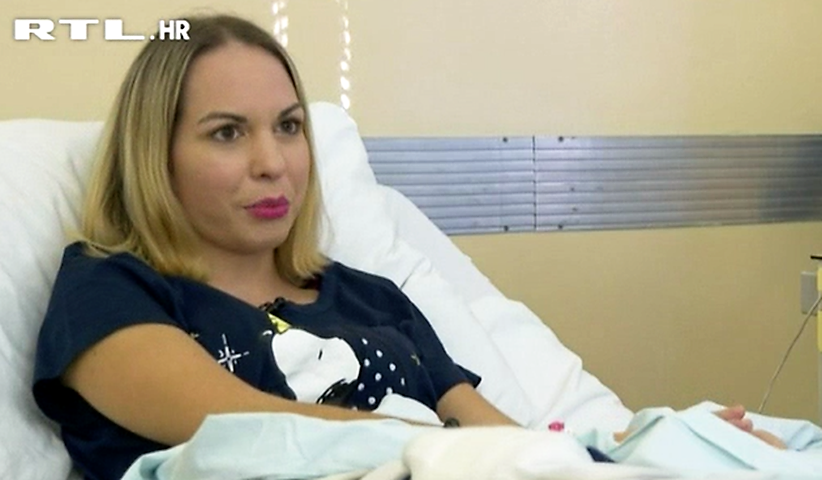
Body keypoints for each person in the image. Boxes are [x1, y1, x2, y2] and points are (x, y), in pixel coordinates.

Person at [31, 14, 782, 480]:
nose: (273, 162)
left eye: (289, 127)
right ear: (154, 154)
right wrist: (451, 450)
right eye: (228, 133)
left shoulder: (372, 296)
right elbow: (238, 429)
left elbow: (508, 443)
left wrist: (642, 448)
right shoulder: (109, 288)